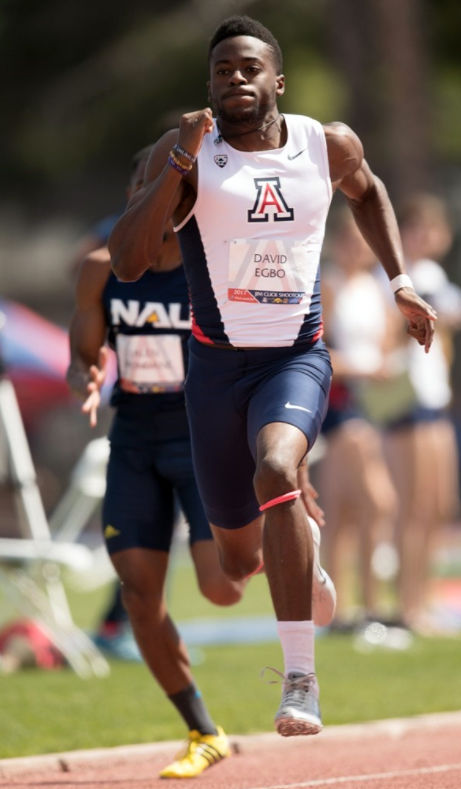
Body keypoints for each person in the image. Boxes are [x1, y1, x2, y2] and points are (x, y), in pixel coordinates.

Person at [108, 16, 437, 737]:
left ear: (276, 80)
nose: (235, 78)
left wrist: (401, 280)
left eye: (248, 67)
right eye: (222, 69)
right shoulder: (188, 153)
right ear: (209, 85)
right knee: (231, 566)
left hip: (294, 357)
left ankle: (299, 676)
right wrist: (175, 164)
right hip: (214, 371)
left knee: (278, 463)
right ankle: (299, 556)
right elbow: (128, 260)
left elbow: (367, 190)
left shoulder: (326, 143)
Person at [67, 146, 249, 778]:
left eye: (172, 189)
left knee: (222, 590)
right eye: (146, 186)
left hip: (204, 442)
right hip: (136, 443)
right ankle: (203, 730)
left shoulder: (213, 269)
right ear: (131, 194)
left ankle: (284, 536)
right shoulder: (100, 270)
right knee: (140, 595)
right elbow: (82, 352)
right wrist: (88, 375)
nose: (157, 200)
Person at [379, 193, 461, 634]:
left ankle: (425, 599)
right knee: (412, 508)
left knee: (439, 505)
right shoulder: (397, 278)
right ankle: (407, 606)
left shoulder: (433, 274)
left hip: (435, 398)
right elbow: (390, 332)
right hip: (405, 399)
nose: (427, 236)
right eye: (418, 227)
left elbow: (456, 316)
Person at [311, 208, 397, 627]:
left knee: (346, 509)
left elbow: (385, 346)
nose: (356, 249)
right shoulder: (327, 283)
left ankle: (351, 610)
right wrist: (362, 367)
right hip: (339, 401)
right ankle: (359, 609)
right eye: (350, 240)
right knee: (373, 503)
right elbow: (314, 349)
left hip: (370, 402)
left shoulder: (374, 287)